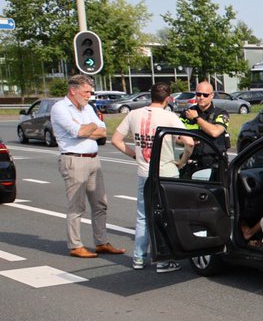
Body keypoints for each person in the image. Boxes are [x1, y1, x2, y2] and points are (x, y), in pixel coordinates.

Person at [111, 82, 192, 273]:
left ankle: (139, 257)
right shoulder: (169, 116)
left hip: (144, 172)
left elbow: (115, 140)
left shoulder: (133, 114)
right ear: (168, 98)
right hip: (166, 173)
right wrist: (182, 161)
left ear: (150, 96)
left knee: (143, 216)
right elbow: (189, 142)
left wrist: (134, 155)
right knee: (166, 216)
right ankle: (164, 259)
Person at [50, 74, 126, 259]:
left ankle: (101, 242)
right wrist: (89, 127)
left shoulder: (88, 108)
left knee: (100, 203)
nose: (89, 96)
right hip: (74, 160)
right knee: (77, 205)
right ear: (73, 91)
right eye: (86, 92)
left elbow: (102, 132)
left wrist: (86, 128)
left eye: (90, 92)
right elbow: (79, 131)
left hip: (93, 158)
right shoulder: (60, 108)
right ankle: (75, 245)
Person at [178, 79, 230, 177]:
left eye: (205, 95)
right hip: (191, 163)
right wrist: (189, 142)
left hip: (214, 165)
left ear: (212, 95)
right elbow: (177, 139)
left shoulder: (221, 113)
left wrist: (196, 118)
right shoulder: (186, 114)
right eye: (198, 94)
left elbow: (215, 132)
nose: (201, 97)